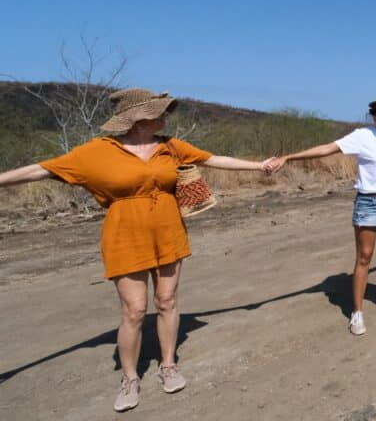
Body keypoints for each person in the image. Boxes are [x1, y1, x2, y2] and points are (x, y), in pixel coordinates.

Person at [0, 88, 272, 412]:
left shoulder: (170, 146)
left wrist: (259, 167)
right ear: (139, 118)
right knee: (135, 309)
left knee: (167, 301)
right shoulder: (98, 152)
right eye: (160, 112)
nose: (165, 116)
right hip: (125, 235)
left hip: (169, 231)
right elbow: (42, 169)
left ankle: (168, 364)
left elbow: (212, 159)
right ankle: (130, 378)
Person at [266, 96, 376, 335]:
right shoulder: (361, 136)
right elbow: (326, 149)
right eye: (373, 110)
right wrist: (288, 157)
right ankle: (357, 313)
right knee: (364, 256)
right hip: (368, 202)